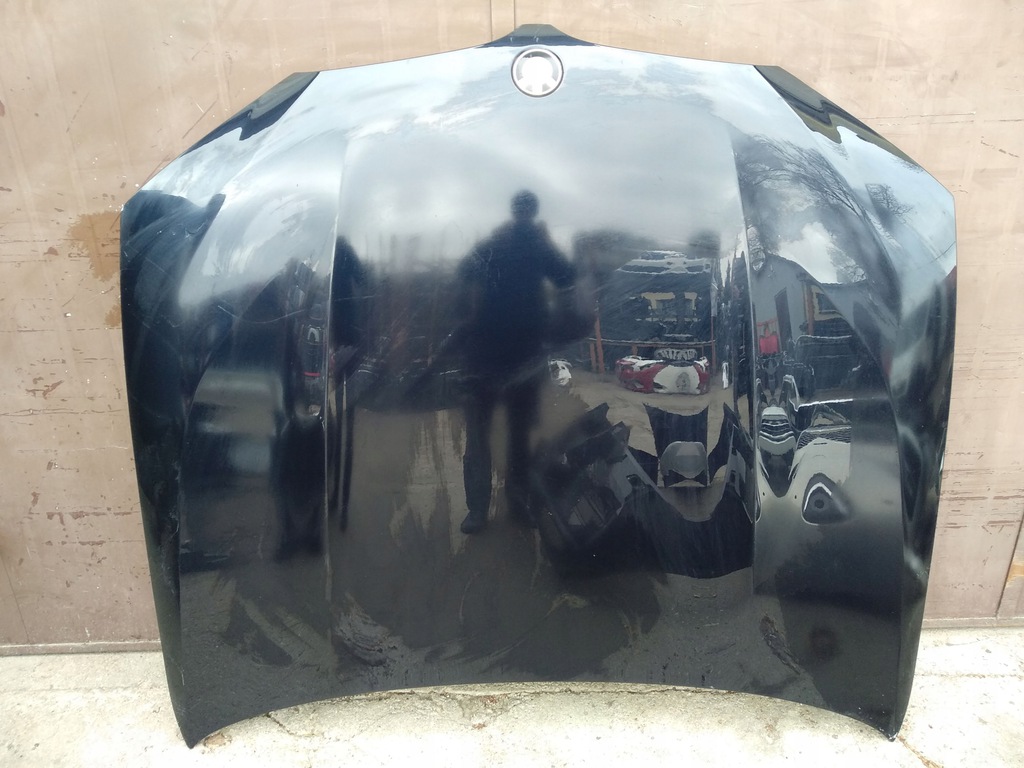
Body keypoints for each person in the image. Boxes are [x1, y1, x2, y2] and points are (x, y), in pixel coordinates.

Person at [455, 191, 577, 534]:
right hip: (505, 355)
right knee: (505, 436)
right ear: (530, 212)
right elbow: (567, 276)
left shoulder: (505, 243)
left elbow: (463, 272)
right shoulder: (523, 244)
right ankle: (506, 506)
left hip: (506, 355)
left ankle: (489, 509)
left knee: (501, 435)